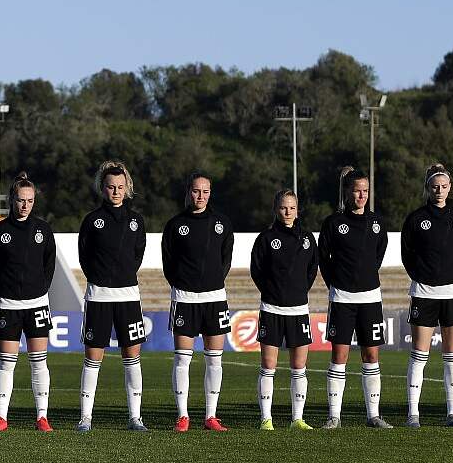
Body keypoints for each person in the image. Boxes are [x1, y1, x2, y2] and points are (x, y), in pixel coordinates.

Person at [76, 160, 149, 432]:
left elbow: (137, 255)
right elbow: (85, 257)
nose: (115, 191)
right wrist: (101, 278)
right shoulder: (91, 221)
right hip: (99, 296)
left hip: (129, 296)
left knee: (132, 356)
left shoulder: (136, 221)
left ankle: (135, 417)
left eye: (120, 186)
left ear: (127, 187)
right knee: (94, 357)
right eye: (110, 187)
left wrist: (123, 275)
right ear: (102, 188)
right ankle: (85, 418)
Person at [318, 167, 393, 429]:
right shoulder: (333, 223)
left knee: (371, 356)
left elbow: (378, 255)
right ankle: (334, 416)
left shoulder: (377, 223)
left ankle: (373, 415)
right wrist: (336, 285)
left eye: (365, 191)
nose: (361, 195)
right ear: (347, 192)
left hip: (370, 298)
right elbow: (323, 260)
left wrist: (365, 276)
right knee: (339, 356)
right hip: (341, 299)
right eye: (356, 191)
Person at [0, 172, 57, 432]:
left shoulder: (43, 229)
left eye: (30, 200)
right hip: (8, 306)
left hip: (37, 304)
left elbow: (49, 264)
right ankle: (1, 417)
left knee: (39, 362)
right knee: (6, 362)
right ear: (12, 199)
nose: (25, 205)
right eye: (20, 200)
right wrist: (3, 291)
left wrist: (40, 289)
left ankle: (42, 417)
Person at [161, 171, 233, 432]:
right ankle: (183, 416)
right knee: (183, 359)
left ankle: (211, 416)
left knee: (215, 359)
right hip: (184, 298)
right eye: (195, 191)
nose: (200, 196)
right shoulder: (174, 225)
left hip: (215, 298)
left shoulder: (222, 223)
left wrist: (212, 283)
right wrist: (184, 284)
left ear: (210, 193)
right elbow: (168, 263)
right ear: (188, 192)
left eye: (205, 191)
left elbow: (225, 260)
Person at [401, 163, 453, 428]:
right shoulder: (416, 218)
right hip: (424, 292)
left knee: (452, 355)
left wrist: (449, 274)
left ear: (450, 187)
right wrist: (423, 275)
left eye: (443, 186)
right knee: (419, 354)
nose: (439, 190)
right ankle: (413, 414)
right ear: (427, 188)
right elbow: (407, 254)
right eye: (434, 187)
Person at [250, 189, 319, 431]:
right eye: (283, 207)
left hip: (298, 310)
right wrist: (273, 293)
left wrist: (298, 292)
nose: (287, 212)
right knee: (268, 366)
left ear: (297, 209)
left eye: (291, 207)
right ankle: (265, 419)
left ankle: (297, 419)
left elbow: (312, 270)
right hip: (272, 309)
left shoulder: (308, 238)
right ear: (276, 209)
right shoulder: (266, 239)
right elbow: (256, 271)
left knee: (299, 368)